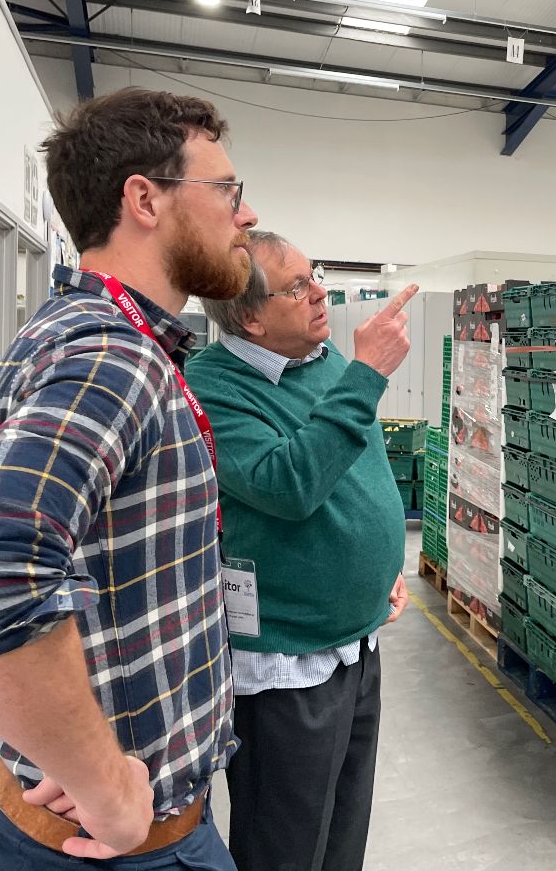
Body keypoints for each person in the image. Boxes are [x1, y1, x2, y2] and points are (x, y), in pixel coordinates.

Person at [0, 88, 258, 869]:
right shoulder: (114, 357)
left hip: (23, 808)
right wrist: (104, 785)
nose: (245, 215)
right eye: (227, 190)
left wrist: (59, 736)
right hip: (108, 847)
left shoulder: (63, 327)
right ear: (145, 198)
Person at [184, 232, 416, 871]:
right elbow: (288, 486)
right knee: (284, 844)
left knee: (344, 830)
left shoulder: (324, 362)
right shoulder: (213, 387)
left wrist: (381, 560)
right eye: (298, 286)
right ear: (250, 316)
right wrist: (368, 375)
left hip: (357, 640)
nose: (321, 293)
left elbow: (360, 468)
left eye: (315, 276)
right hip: (287, 661)